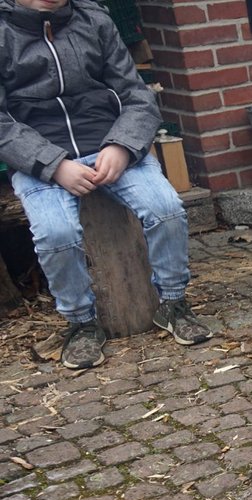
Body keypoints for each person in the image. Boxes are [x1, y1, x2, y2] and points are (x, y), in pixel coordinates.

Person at [0, 0, 213, 370]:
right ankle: (81, 323)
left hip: (111, 145)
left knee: (166, 210)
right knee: (56, 234)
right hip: (40, 161)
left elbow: (136, 95)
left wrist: (122, 145)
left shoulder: (94, 19)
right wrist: (54, 165)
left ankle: (174, 302)